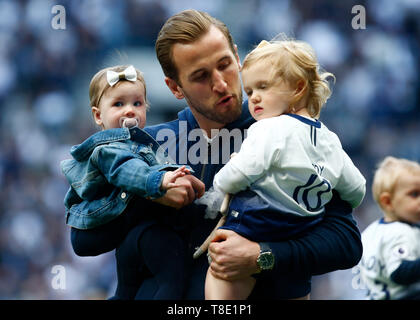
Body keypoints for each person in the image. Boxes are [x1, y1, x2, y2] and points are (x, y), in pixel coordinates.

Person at [72, 9, 364, 300]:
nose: (221, 83)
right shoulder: (148, 145)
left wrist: (262, 256)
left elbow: (346, 242)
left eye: (224, 65)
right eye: (201, 76)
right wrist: (149, 194)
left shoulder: (290, 134)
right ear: (175, 87)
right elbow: (83, 240)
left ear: (237, 57)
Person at [201, 38, 366, 299]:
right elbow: (357, 189)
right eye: (250, 90)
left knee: (220, 276)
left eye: (263, 87)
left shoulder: (269, 127)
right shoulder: (330, 140)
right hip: (299, 235)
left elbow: (243, 170)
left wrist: (220, 183)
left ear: (298, 88)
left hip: (253, 226)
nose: (254, 97)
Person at [61, 64, 204, 299]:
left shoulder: (141, 144)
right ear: (98, 115)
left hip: (132, 234)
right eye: (118, 104)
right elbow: (127, 170)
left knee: (127, 290)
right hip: (105, 221)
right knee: (173, 278)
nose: (130, 110)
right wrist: (162, 179)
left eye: (137, 103)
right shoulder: (107, 148)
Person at [359, 156, 420, 300]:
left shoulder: (371, 231)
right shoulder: (400, 232)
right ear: (388, 202)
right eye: (414, 194)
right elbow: (399, 273)